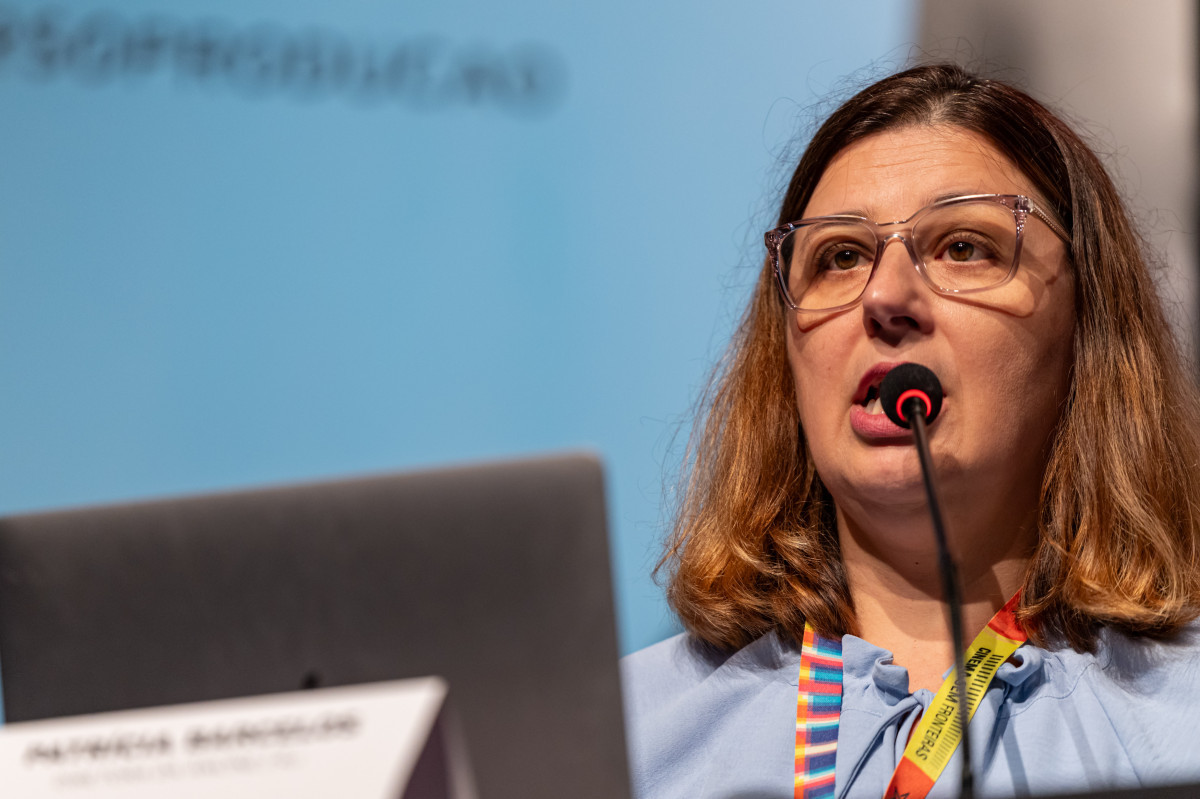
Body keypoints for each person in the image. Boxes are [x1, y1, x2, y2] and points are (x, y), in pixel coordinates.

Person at [621, 63, 1200, 799]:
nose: (886, 298)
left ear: (1088, 327)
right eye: (840, 256)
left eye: (963, 246)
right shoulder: (619, 743)